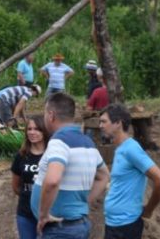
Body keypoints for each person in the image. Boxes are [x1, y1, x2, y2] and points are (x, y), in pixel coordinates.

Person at [31, 93, 110, 238]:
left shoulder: (59, 141)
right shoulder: (88, 143)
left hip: (59, 229)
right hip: (77, 225)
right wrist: (83, 202)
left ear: (51, 115)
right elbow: (104, 176)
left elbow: (52, 180)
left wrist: (43, 215)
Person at [99, 104, 160, 239]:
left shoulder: (131, 149)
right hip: (115, 224)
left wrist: (148, 210)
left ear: (118, 123)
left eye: (104, 121)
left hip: (125, 227)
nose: (100, 126)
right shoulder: (120, 148)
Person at [11, 115, 50, 239]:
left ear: (45, 131)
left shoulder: (52, 155)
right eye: (29, 129)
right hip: (25, 213)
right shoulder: (21, 155)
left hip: (48, 213)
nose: (32, 132)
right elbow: (16, 186)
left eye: (37, 129)